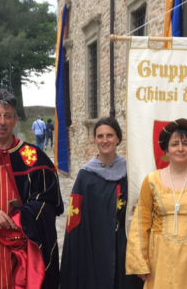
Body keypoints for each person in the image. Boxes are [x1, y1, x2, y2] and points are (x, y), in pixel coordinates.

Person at [0, 89, 63, 289]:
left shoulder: (32, 156)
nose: (2, 122)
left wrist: (19, 217)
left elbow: (49, 203)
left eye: (8, 116)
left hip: (23, 256)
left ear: (15, 120)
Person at [125, 118, 187, 288]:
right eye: (175, 144)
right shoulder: (152, 180)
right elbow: (140, 222)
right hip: (160, 255)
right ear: (166, 148)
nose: (180, 148)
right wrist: (140, 261)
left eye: (186, 143)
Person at [61, 117, 142, 289]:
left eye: (110, 135)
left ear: (118, 138)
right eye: (100, 136)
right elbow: (74, 218)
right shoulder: (86, 175)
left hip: (123, 243)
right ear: (95, 139)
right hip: (94, 244)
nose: (105, 140)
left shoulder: (129, 171)